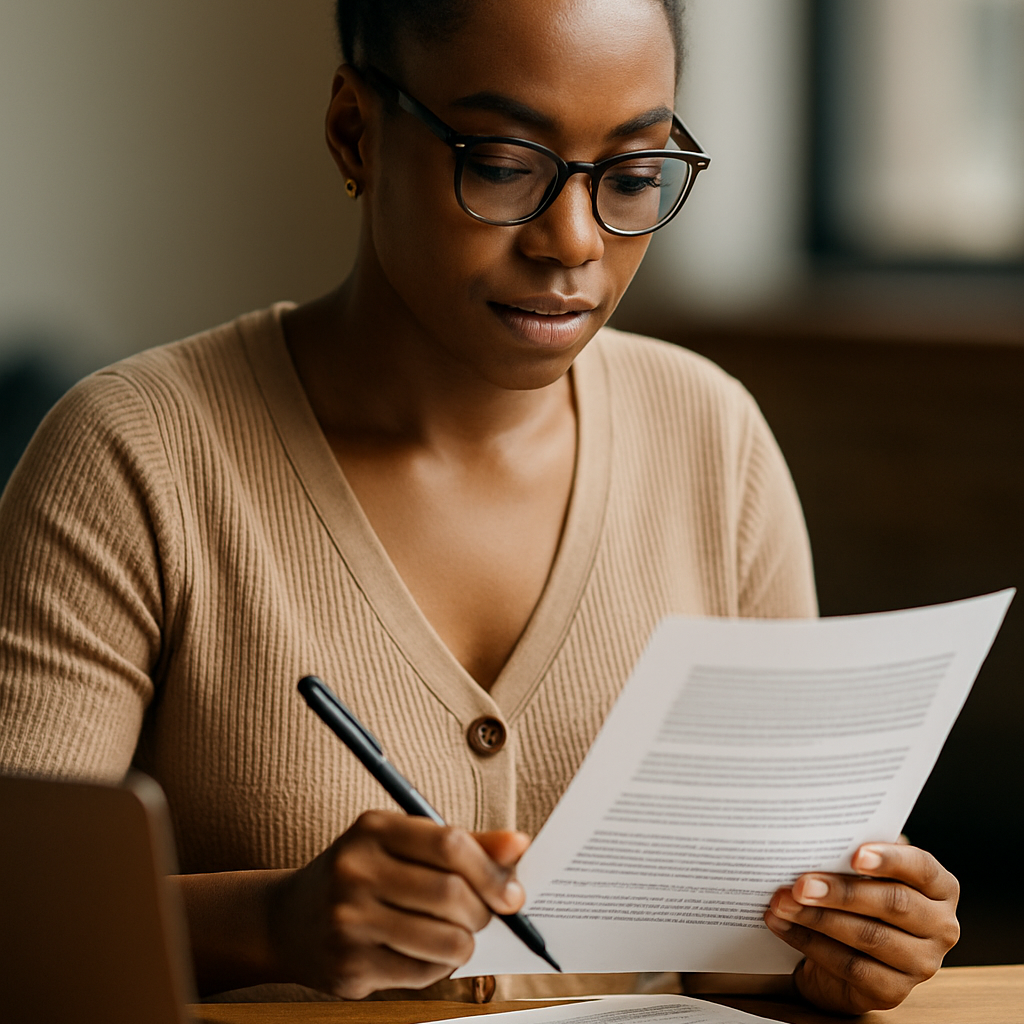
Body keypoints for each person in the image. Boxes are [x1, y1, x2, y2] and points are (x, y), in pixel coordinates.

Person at [0, 0, 960, 1012]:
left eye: (631, 176)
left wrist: (840, 936)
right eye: (503, 165)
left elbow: (734, 948)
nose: (574, 242)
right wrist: (270, 922)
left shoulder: (712, 439)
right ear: (353, 131)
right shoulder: (133, 453)